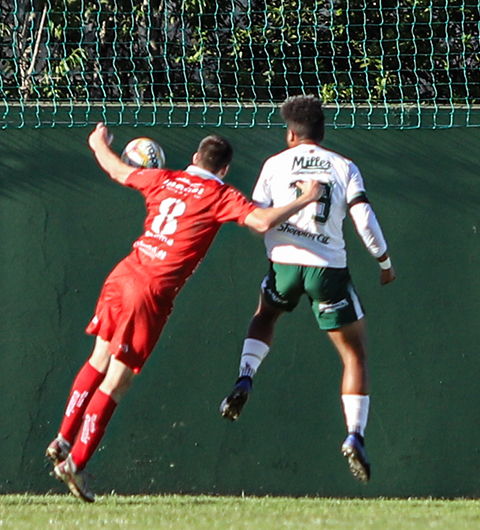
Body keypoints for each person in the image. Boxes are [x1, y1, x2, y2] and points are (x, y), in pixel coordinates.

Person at [45, 123, 323, 502]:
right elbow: (261, 221)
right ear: (223, 169)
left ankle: (63, 437)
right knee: (117, 381)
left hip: (125, 272)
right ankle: (75, 463)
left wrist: (97, 143)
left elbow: (118, 169)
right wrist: (306, 198)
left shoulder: (166, 179)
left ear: (195, 159)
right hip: (151, 291)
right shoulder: (220, 194)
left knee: (98, 359)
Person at [218, 95, 395, 483]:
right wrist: (383, 261)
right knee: (355, 353)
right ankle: (355, 435)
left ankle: (246, 375)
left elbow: (255, 217)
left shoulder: (274, 164)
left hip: (283, 265)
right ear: (320, 132)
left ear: (291, 134)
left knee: (265, 315)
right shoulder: (343, 165)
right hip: (327, 270)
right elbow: (363, 219)